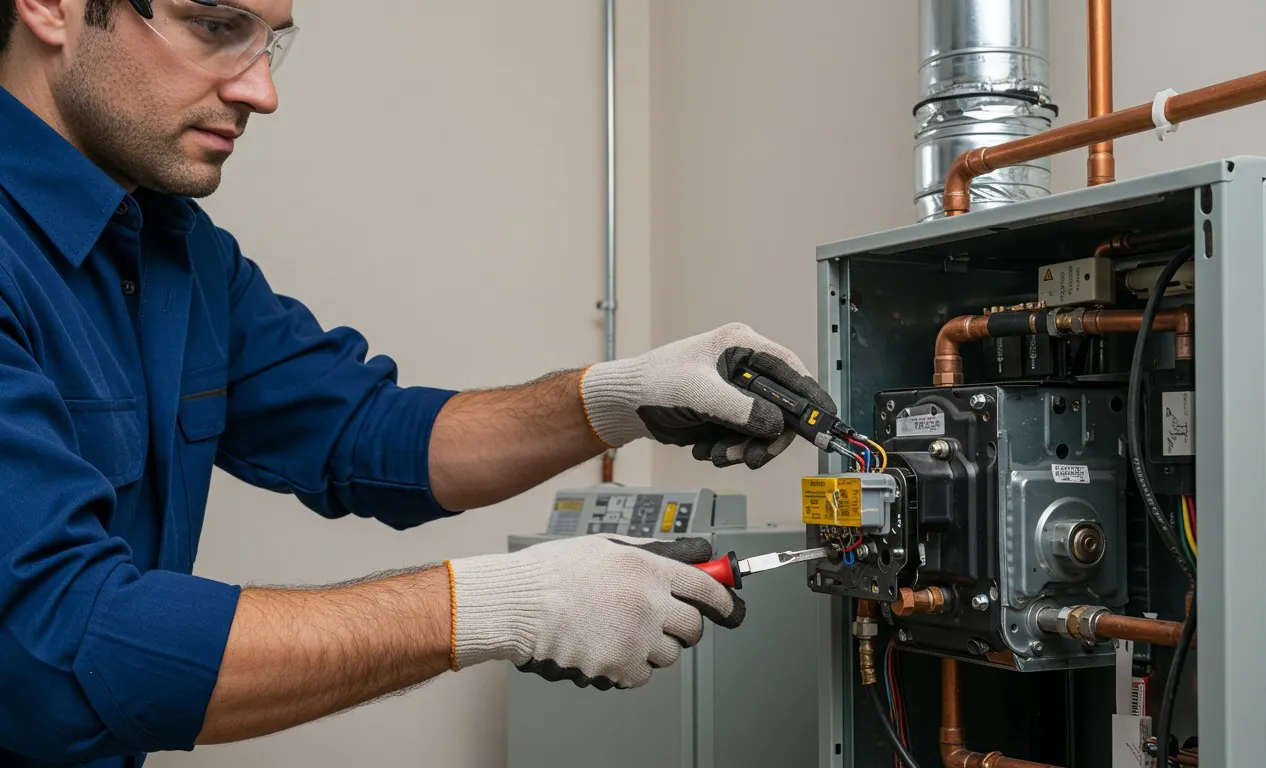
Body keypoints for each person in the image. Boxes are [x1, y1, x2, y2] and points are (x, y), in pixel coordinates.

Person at [0, 1, 836, 766]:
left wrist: (614, 398)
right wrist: (505, 605)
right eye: (215, 25)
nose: (261, 92)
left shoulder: (175, 248)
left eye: (270, 42)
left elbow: (367, 435)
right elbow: (65, 648)